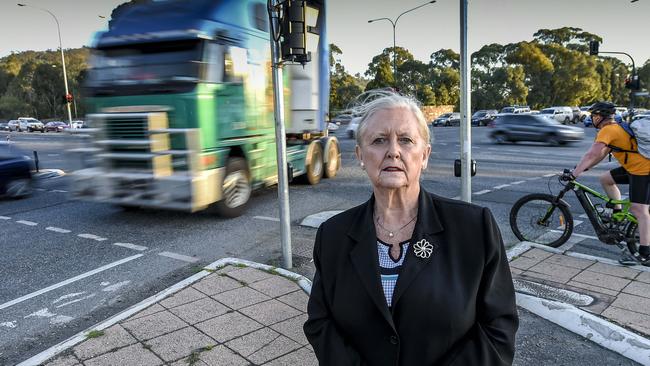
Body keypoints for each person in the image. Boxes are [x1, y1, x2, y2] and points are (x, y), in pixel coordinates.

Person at [303, 90, 518, 366]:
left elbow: (498, 327)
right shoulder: (332, 235)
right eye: (379, 140)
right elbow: (320, 322)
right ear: (360, 155)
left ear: (424, 155)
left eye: (405, 140)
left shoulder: (474, 229)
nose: (393, 151)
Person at [572, 101, 650, 265]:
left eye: (593, 116)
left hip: (643, 170)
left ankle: (645, 253)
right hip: (634, 167)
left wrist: (575, 173)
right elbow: (600, 155)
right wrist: (582, 169)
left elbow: (592, 154)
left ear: (600, 117)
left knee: (639, 210)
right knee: (606, 178)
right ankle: (617, 214)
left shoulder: (608, 130)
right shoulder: (616, 128)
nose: (592, 119)